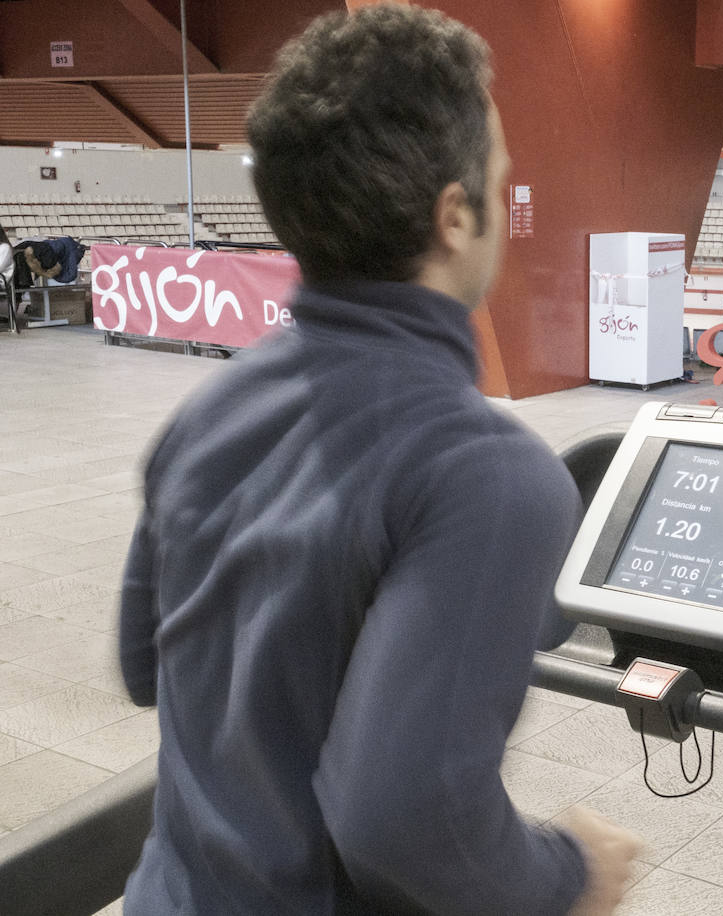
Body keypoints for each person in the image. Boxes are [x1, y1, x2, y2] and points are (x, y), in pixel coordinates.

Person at [119, 7, 640, 914]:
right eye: (499, 185)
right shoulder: (488, 474)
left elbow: (144, 661)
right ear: (453, 218)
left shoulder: (205, 414)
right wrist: (570, 876)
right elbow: (403, 820)